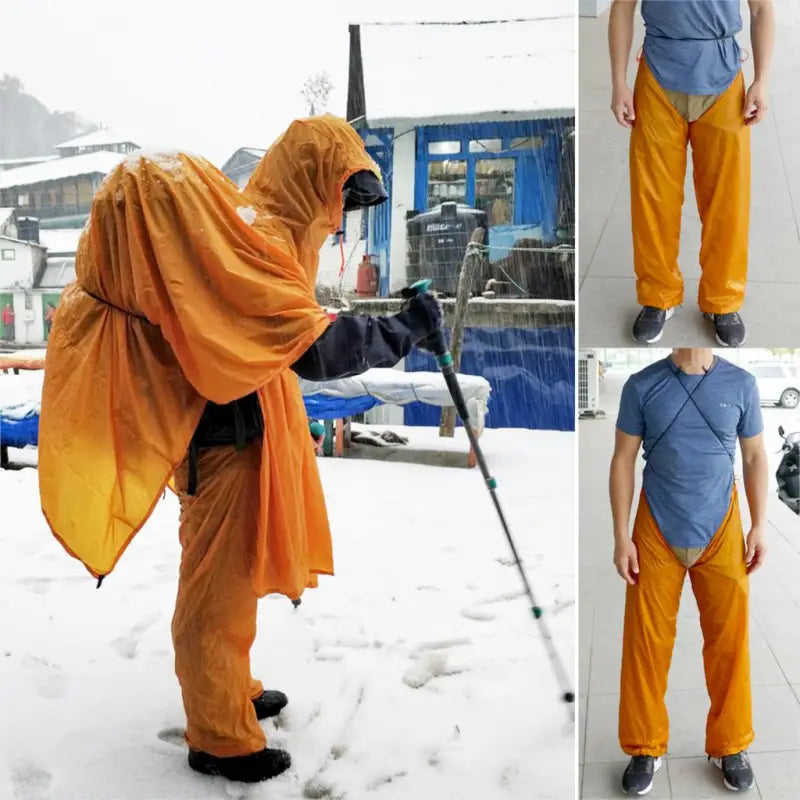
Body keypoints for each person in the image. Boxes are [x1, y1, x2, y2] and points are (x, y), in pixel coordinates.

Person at [37, 115, 442, 785]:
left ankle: (234, 685)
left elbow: (284, 330)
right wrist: (403, 331)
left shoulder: (251, 229)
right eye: (344, 198)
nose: (342, 220)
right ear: (313, 184)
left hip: (232, 434)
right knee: (215, 592)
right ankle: (220, 735)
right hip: (218, 438)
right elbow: (314, 350)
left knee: (234, 578)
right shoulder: (250, 240)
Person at [610, 349, 768, 794]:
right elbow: (623, 458)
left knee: (729, 641)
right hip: (656, 528)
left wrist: (759, 525)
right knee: (645, 643)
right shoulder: (641, 385)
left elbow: (754, 457)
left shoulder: (741, 385)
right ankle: (645, 746)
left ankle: (729, 743)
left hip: (722, 528)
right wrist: (621, 536)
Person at [609, 0, 775, 346]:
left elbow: (761, 10)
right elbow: (622, 7)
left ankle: (723, 300)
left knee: (727, 200)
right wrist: (618, 83)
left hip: (724, 77)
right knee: (653, 198)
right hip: (658, 76)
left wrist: (762, 81)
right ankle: (658, 296)